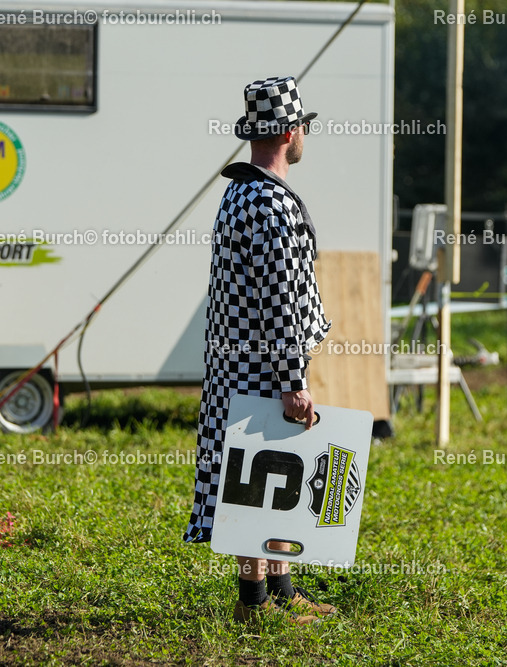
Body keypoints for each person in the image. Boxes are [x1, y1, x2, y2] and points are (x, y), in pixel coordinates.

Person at [183, 76, 336, 625]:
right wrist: (294, 378)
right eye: (303, 130)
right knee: (258, 485)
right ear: (291, 132)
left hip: (237, 363)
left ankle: (279, 591)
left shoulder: (239, 194)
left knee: (264, 482)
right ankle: (256, 604)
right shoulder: (271, 204)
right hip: (263, 366)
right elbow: (280, 300)